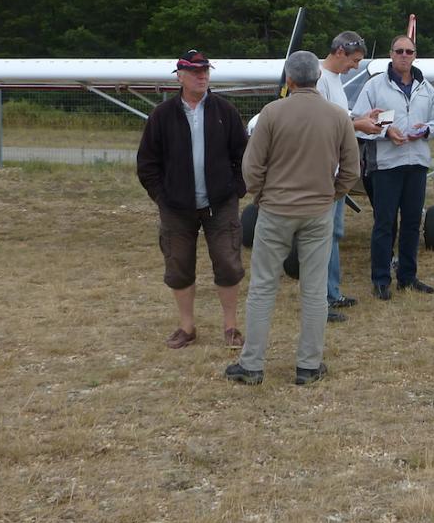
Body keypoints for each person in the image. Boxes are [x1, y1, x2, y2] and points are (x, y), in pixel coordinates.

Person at [225, 51, 360, 386]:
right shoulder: (338, 116)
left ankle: (252, 364)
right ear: (317, 77)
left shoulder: (271, 113)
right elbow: (352, 169)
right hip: (318, 211)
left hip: (275, 210)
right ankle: (309, 365)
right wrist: (332, 195)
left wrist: (261, 195)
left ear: (289, 79)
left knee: (262, 287)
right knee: (314, 290)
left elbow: (251, 166)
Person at [136, 49, 249, 349]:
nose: (202, 76)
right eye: (195, 71)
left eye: (205, 71)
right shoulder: (161, 116)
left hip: (221, 204)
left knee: (228, 262)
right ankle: (187, 327)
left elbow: (244, 155)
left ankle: (231, 327)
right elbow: (147, 163)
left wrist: (237, 188)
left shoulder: (226, 111)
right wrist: (162, 197)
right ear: (180, 76)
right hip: (176, 207)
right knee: (178, 265)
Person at [352, 34, 434, 299]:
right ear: (391, 54)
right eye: (399, 51)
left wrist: (426, 130)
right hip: (386, 164)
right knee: (384, 223)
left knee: (412, 222)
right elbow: (359, 122)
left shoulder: (425, 87)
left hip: (416, 162)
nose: (404, 55)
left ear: (415, 55)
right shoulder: (374, 86)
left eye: (409, 51)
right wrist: (386, 133)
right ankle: (381, 279)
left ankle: (407, 276)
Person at [316, 31, 384, 323]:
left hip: (337, 171)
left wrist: (361, 117)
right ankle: (321, 299)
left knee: (334, 234)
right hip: (322, 172)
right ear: (340, 51)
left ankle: (332, 292)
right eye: (354, 61)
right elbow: (322, 121)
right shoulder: (318, 79)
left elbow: (340, 118)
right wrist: (359, 123)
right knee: (322, 236)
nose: (356, 67)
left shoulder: (335, 81)